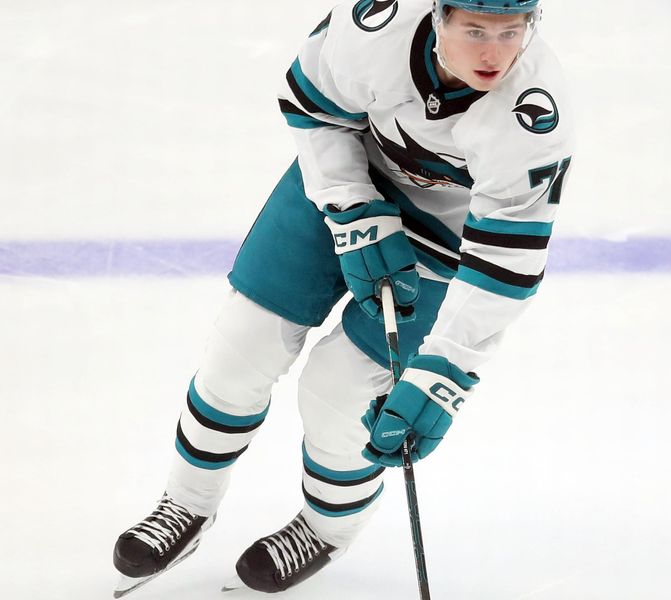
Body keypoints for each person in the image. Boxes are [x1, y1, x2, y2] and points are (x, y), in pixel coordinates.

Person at [112, 0, 574, 595]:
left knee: (340, 396)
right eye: (475, 30)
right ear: (438, 17)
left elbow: (506, 262)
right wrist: (349, 201)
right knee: (240, 348)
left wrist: (447, 368)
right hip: (344, 182)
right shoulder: (376, 26)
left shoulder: (534, 115)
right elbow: (313, 106)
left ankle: (325, 528)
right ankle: (187, 504)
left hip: (445, 243)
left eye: (510, 33)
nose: (493, 53)